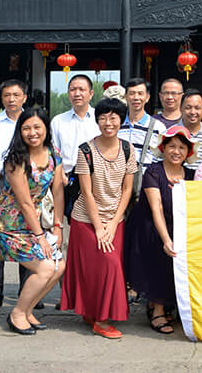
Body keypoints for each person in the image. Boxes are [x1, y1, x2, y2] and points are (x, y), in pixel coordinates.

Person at [61, 98, 138, 339]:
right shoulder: (86, 150)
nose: (108, 122)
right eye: (103, 117)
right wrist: (99, 227)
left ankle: (94, 313)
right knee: (100, 267)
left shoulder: (128, 149)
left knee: (110, 267)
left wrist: (113, 223)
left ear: (121, 120)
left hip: (116, 219)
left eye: (113, 117)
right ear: (97, 121)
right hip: (86, 219)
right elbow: (86, 192)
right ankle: (100, 320)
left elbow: (127, 189)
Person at [0, 108, 67, 335]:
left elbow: (58, 192)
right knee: (45, 267)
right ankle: (17, 314)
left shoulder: (53, 155)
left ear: (46, 129)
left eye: (37, 127)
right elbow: (25, 203)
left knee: (60, 266)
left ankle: (27, 310)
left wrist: (57, 227)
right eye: (26, 128)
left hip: (34, 223)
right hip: (10, 225)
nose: (32, 133)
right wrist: (40, 237)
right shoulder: (16, 160)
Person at [124, 125, 197, 334]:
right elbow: (156, 208)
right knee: (163, 255)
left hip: (178, 227)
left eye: (182, 148)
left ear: (188, 152)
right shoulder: (153, 172)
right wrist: (166, 240)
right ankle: (157, 311)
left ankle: (168, 306)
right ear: (163, 148)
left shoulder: (192, 175)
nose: (176, 151)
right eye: (172, 146)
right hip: (150, 229)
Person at [0, 79, 30, 312]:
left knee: (26, 233)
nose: (11, 99)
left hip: (27, 182)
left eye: (16, 95)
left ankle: (27, 291)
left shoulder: (31, 122)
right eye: (7, 95)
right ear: (1, 98)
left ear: (24, 97)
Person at [51, 74, 102, 177]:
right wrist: (61, 176)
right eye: (73, 90)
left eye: (82, 89)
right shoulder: (58, 121)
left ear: (91, 94)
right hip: (67, 177)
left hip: (96, 177)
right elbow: (54, 153)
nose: (77, 94)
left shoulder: (101, 118)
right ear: (68, 93)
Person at [118, 78, 162, 167]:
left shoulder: (158, 127)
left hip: (146, 175)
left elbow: (161, 158)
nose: (136, 98)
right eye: (132, 93)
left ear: (147, 97)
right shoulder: (116, 124)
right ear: (125, 96)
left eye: (140, 93)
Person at [178, 88, 202, 169]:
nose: (193, 112)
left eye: (197, 108)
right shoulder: (170, 134)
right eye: (188, 107)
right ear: (181, 109)